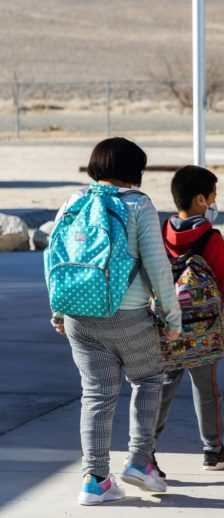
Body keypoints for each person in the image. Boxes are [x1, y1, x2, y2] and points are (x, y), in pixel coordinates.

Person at [49, 137, 181, 505]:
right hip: (127, 315)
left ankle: (95, 480)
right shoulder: (138, 205)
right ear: (134, 171)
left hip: (78, 316)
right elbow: (158, 266)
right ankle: (140, 461)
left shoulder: (73, 201)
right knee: (149, 378)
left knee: (96, 396)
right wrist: (171, 316)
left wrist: (59, 311)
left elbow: (56, 259)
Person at [153, 165, 224, 473]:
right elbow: (223, 286)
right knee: (206, 389)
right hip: (203, 328)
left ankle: (145, 452)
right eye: (214, 193)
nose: (217, 198)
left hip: (167, 327)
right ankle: (213, 450)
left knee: (163, 389)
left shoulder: (161, 233)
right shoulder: (212, 238)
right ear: (201, 199)